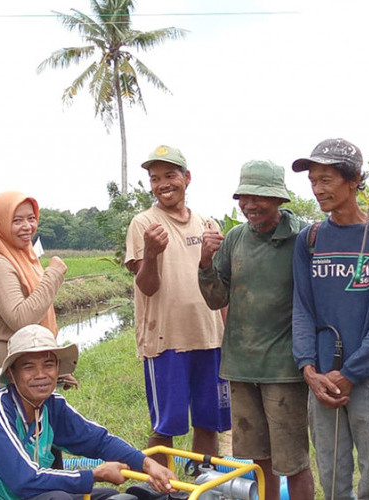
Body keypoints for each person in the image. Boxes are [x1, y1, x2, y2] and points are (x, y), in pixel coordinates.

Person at [291, 138, 369, 499]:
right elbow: (302, 309)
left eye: (326, 179)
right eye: (313, 180)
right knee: (332, 479)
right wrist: (309, 370)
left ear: (354, 179)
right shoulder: (309, 240)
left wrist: (351, 373)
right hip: (322, 381)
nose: (317, 189)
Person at [0, 324, 177, 499]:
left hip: (30, 493)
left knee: (110, 496)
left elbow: (99, 441)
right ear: (11, 374)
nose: (41, 374)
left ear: (58, 369)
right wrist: (94, 474)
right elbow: (24, 479)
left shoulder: (52, 406)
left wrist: (148, 465)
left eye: (48, 365)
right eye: (29, 366)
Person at [198, 160, 314, 500]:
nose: (249, 205)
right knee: (257, 458)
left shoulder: (302, 239)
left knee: (292, 461)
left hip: (284, 370)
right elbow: (215, 297)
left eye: (258, 197)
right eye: (243, 197)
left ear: (278, 199)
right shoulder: (235, 239)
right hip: (241, 367)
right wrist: (205, 262)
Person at [125, 145, 230, 462]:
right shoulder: (144, 225)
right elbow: (147, 286)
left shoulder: (208, 224)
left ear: (187, 178)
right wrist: (153, 252)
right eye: (155, 178)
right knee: (164, 428)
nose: (162, 184)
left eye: (170, 175)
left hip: (210, 339)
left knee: (208, 423)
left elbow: (221, 289)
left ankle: (203, 483)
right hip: (166, 341)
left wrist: (230, 334)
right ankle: (157, 490)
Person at [0, 191, 70, 392]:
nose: (27, 226)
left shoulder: (25, 257)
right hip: (12, 367)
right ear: (0, 223)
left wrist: (54, 364)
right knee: (10, 422)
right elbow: (21, 319)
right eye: (17, 220)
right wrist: (53, 275)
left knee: (37, 423)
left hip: (33, 360)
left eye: (31, 218)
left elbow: (40, 316)